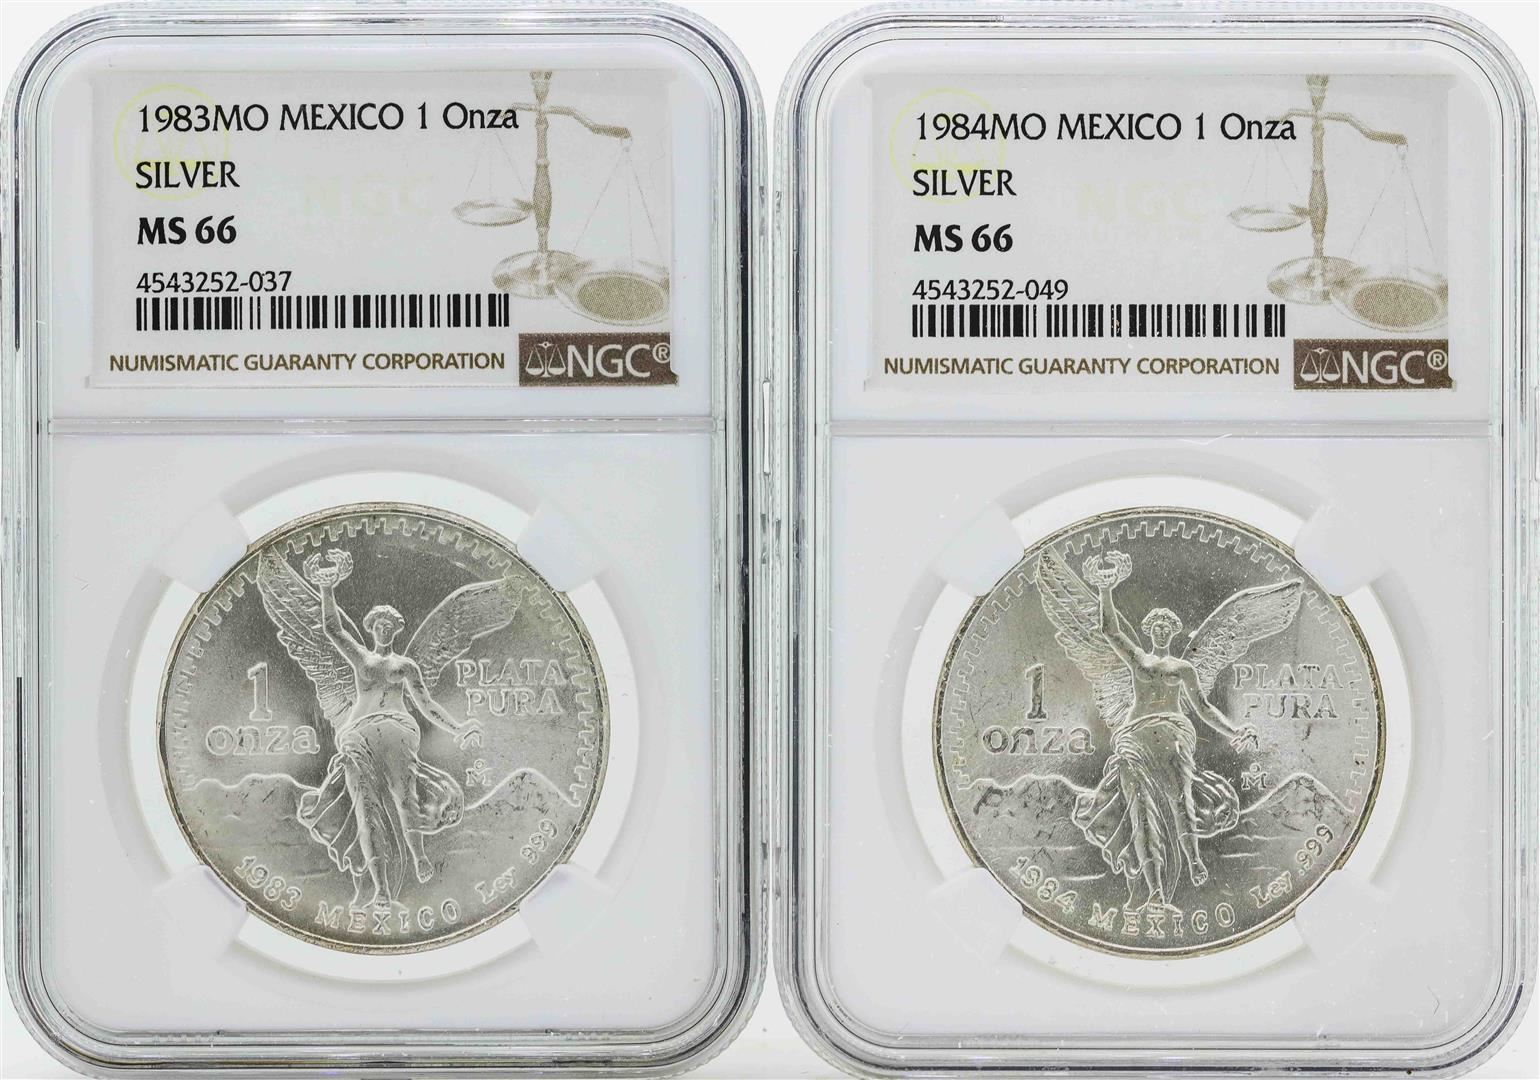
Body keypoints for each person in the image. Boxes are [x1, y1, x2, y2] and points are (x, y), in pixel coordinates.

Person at [294, 549, 482, 913]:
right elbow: (332, 630)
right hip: (358, 736)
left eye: (389, 625)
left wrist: (458, 727)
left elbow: (426, 704)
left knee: (404, 798)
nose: (383, 629)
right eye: (378, 624)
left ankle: (419, 857)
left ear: (396, 629)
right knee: (366, 812)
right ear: (371, 628)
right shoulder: (361, 659)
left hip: (398, 732)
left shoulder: (406, 666)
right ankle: (381, 888)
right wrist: (327, 588)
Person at [1070, 551, 1255, 912]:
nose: (1160, 631)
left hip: (1174, 733)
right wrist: (1105, 590)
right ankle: (1155, 890)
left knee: (1180, 798)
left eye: (1166, 627)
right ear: (1149, 630)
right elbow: (1110, 631)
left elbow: (1203, 708)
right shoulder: (1138, 660)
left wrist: (1233, 729)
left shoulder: (1183, 668)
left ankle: (1195, 860)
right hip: (1134, 738)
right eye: (1155, 627)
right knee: (1141, 812)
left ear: (1173, 631)